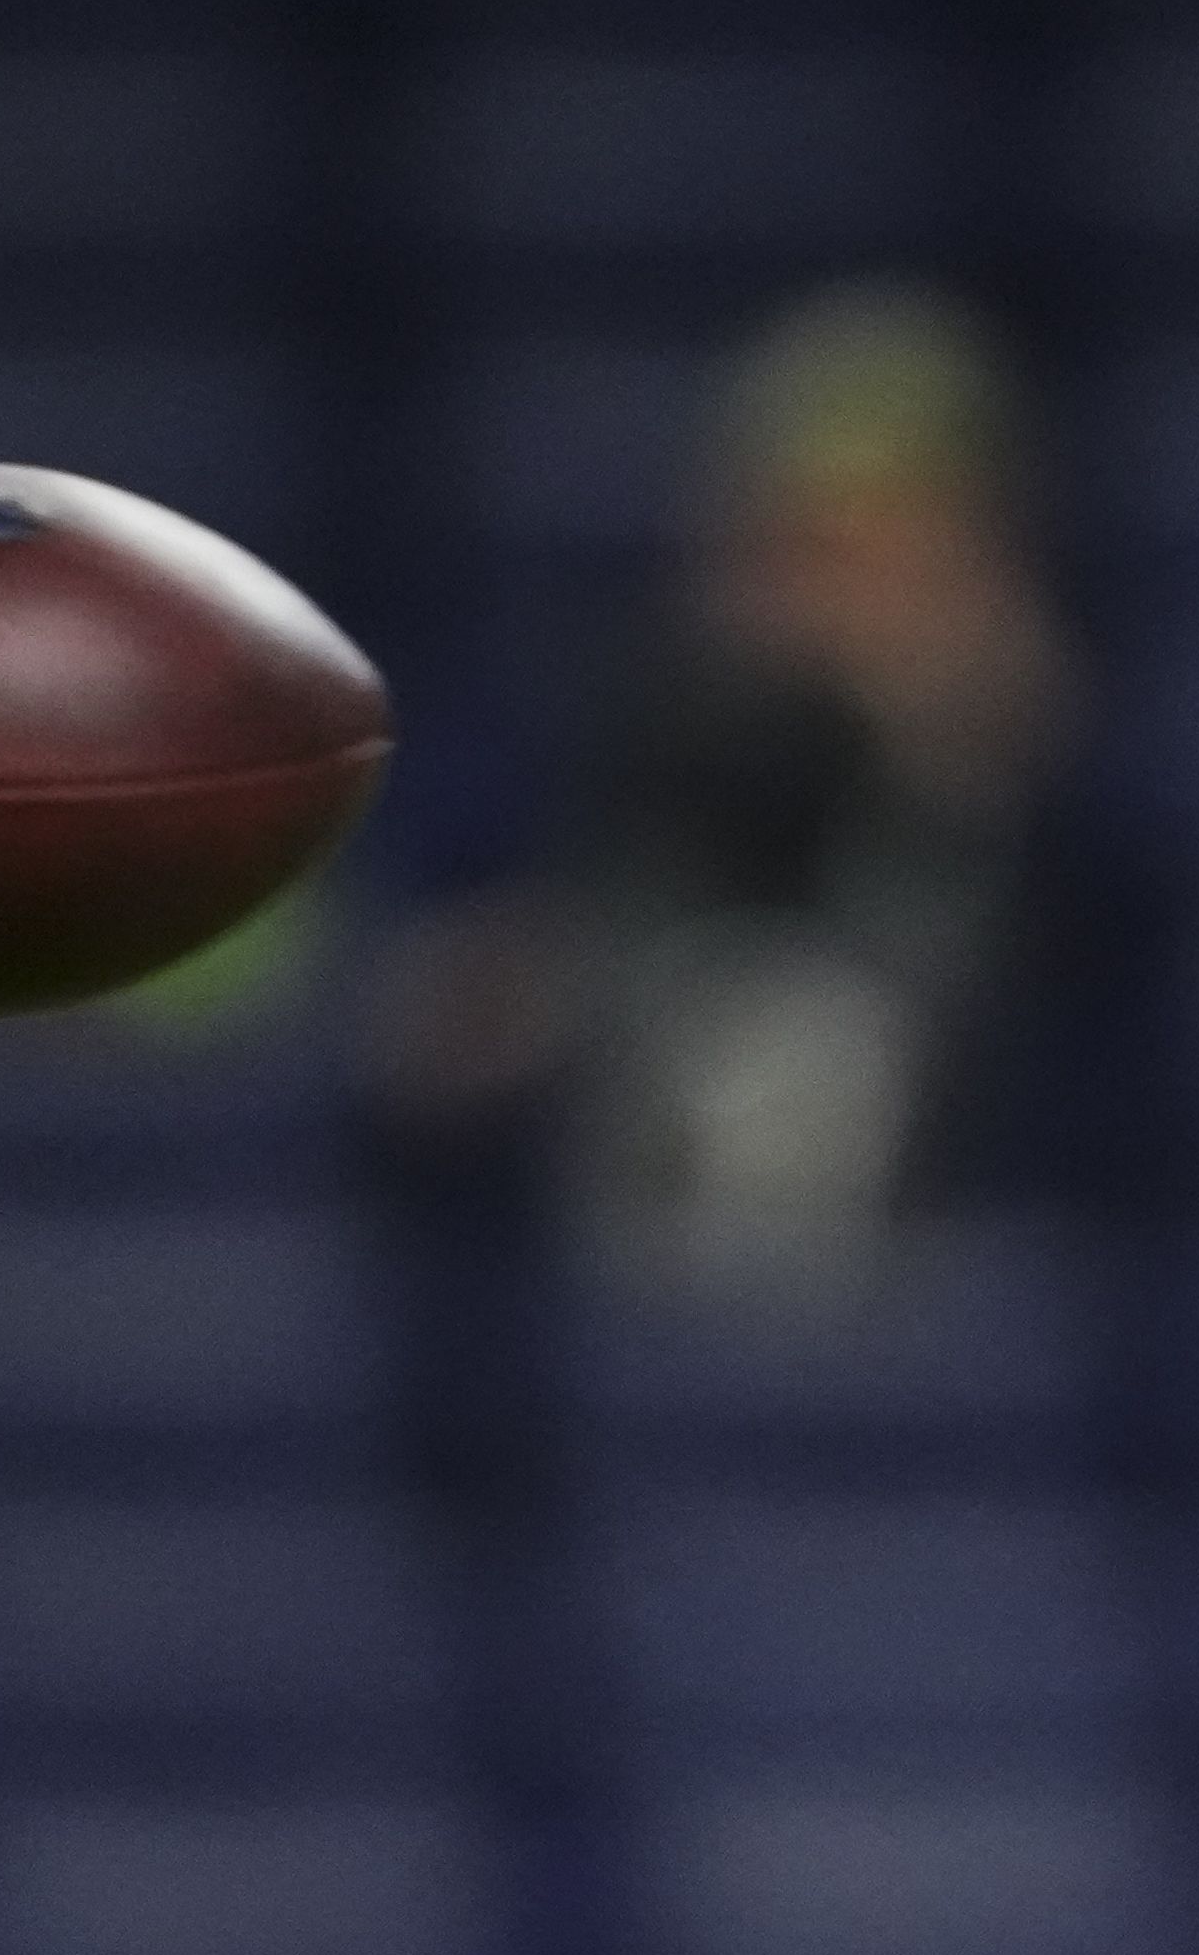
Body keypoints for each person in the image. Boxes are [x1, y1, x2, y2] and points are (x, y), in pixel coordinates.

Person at [376, 283, 1079, 1307]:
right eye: (817, 548)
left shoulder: (1046, 747)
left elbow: (1013, 998)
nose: (853, 594)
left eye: (901, 549)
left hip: (942, 1195)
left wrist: (952, 762)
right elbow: (605, 902)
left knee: (805, 1063)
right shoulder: (669, 716)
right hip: (650, 1120)